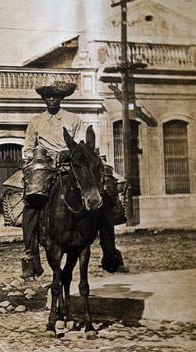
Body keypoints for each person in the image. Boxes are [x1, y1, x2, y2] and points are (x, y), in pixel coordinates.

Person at [20, 80, 125, 279]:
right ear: (44, 99)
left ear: (61, 99)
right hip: (45, 167)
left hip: (71, 166)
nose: (52, 100)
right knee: (31, 203)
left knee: (102, 198)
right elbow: (28, 147)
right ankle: (30, 255)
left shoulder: (73, 119)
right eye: (48, 96)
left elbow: (81, 146)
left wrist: (67, 155)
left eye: (55, 96)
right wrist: (33, 157)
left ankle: (110, 251)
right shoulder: (36, 122)